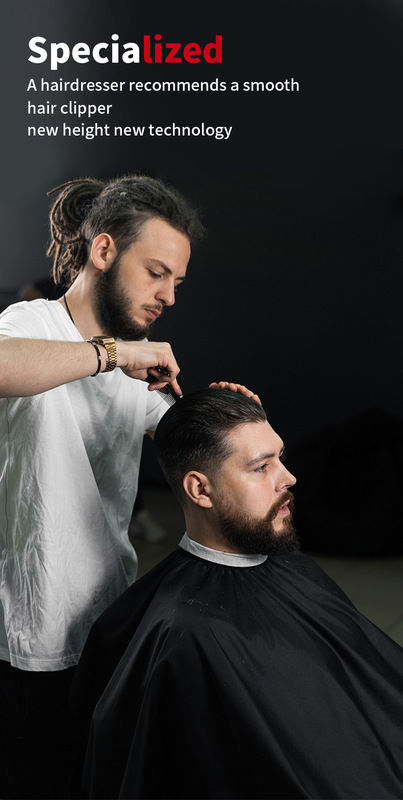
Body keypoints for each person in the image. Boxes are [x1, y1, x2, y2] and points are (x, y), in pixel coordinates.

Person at [0, 174, 256, 799]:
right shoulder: (31, 323)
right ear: (104, 250)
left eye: (177, 282)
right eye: (157, 273)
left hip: (104, 623)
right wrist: (113, 355)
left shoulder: (134, 356)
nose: (168, 295)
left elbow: (182, 442)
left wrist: (228, 421)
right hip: (25, 636)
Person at [73, 388, 403, 800]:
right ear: (200, 490)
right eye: (261, 467)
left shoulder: (293, 566)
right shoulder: (180, 634)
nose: (289, 477)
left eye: (280, 458)